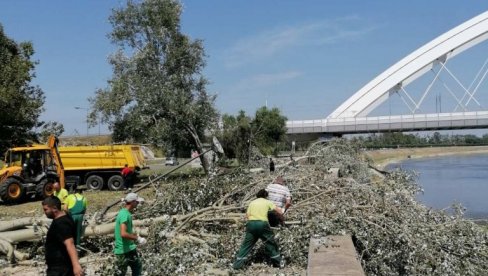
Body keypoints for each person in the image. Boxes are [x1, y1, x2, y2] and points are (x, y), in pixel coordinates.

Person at [233, 189, 283, 270]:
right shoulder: (267, 202)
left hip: (251, 224)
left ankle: (237, 266)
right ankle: (278, 264)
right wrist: (282, 213)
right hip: (262, 224)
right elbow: (279, 211)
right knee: (270, 243)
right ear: (266, 196)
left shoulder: (252, 202)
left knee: (246, 245)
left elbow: (247, 215)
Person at [42, 196, 83, 276]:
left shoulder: (61, 224)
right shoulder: (65, 216)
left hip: (60, 269)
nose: (44, 212)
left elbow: (70, 244)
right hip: (61, 266)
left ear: (54, 208)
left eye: (46, 209)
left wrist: (76, 266)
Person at [114, 192, 146, 276]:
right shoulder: (124, 214)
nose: (138, 203)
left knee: (137, 267)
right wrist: (137, 238)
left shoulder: (125, 213)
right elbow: (123, 234)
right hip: (123, 250)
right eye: (137, 202)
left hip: (130, 248)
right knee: (121, 273)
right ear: (132, 202)